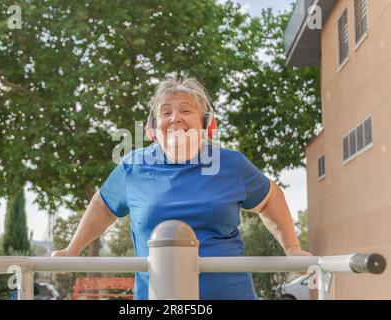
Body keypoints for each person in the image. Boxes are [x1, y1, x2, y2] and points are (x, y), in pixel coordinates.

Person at [51, 76, 311, 300]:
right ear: (153, 128)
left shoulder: (231, 164)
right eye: (165, 112)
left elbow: (270, 198)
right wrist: (72, 250)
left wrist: (292, 248)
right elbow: (102, 206)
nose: (175, 118)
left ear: (207, 123)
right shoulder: (133, 167)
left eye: (186, 111)